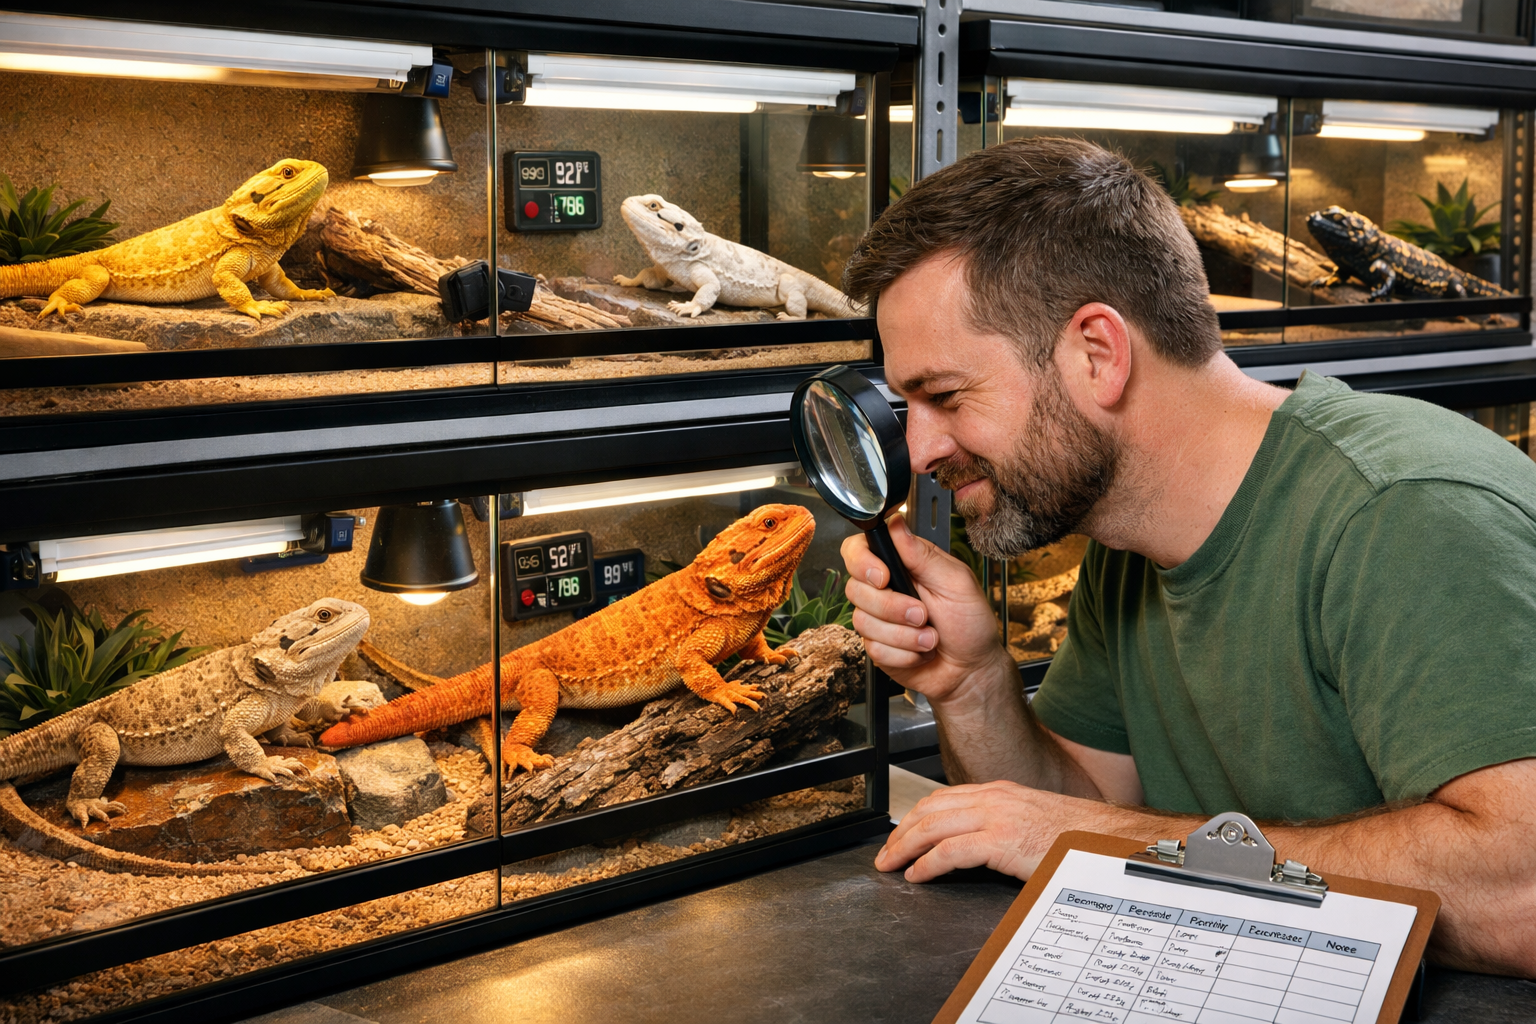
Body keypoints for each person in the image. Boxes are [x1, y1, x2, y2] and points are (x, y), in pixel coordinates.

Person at [838, 136, 1536, 976]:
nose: (917, 450)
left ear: (1098, 352)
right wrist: (974, 681)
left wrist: (1125, 843)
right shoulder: (1127, 538)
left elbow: (1522, 896)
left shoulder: (1401, 507)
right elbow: (1078, 809)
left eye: (944, 396)